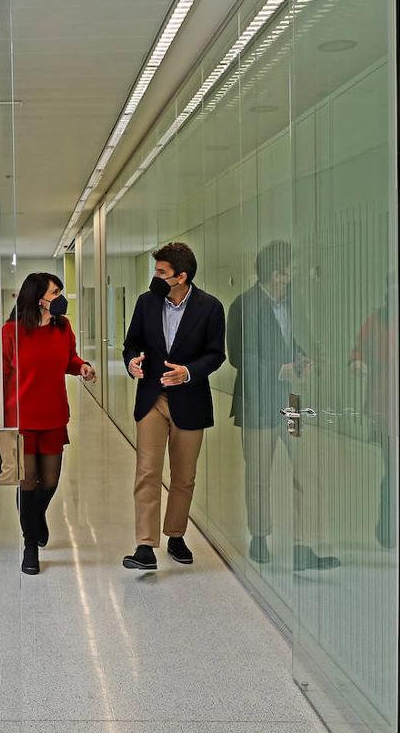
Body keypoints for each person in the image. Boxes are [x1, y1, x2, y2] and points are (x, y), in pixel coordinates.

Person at [228, 242, 341, 571]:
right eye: (287, 271)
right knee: (260, 474)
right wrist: (280, 370)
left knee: (307, 471)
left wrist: (304, 358)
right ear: (273, 274)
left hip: (291, 403)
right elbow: (239, 356)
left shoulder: (294, 303)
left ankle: (305, 546)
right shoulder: (243, 305)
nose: (291, 277)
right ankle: (260, 536)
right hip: (258, 404)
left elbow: (295, 339)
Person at [121, 243, 226, 570]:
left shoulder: (210, 307)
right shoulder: (146, 302)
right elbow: (132, 343)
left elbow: (215, 354)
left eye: (161, 273)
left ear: (181, 277)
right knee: (147, 471)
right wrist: (132, 363)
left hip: (190, 400)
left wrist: (189, 372)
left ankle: (176, 534)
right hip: (152, 398)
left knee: (183, 476)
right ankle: (145, 546)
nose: (155, 277)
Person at [0, 272, 96, 575]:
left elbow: (69, 359)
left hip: (54, 415)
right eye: (55, 291)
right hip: (21, 420)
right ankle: (30, 544)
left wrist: (82, 367)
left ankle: (36, 517)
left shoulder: (63, 328)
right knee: (27, 483)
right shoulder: (11, 332)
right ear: (38, 298)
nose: (60, 297)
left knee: (49, 482)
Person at [350, 287, 395, 549]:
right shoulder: (376, 321)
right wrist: (357, 362)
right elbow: (358, 350)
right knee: (393, 469)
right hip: (384, 405)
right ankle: (388, 531)